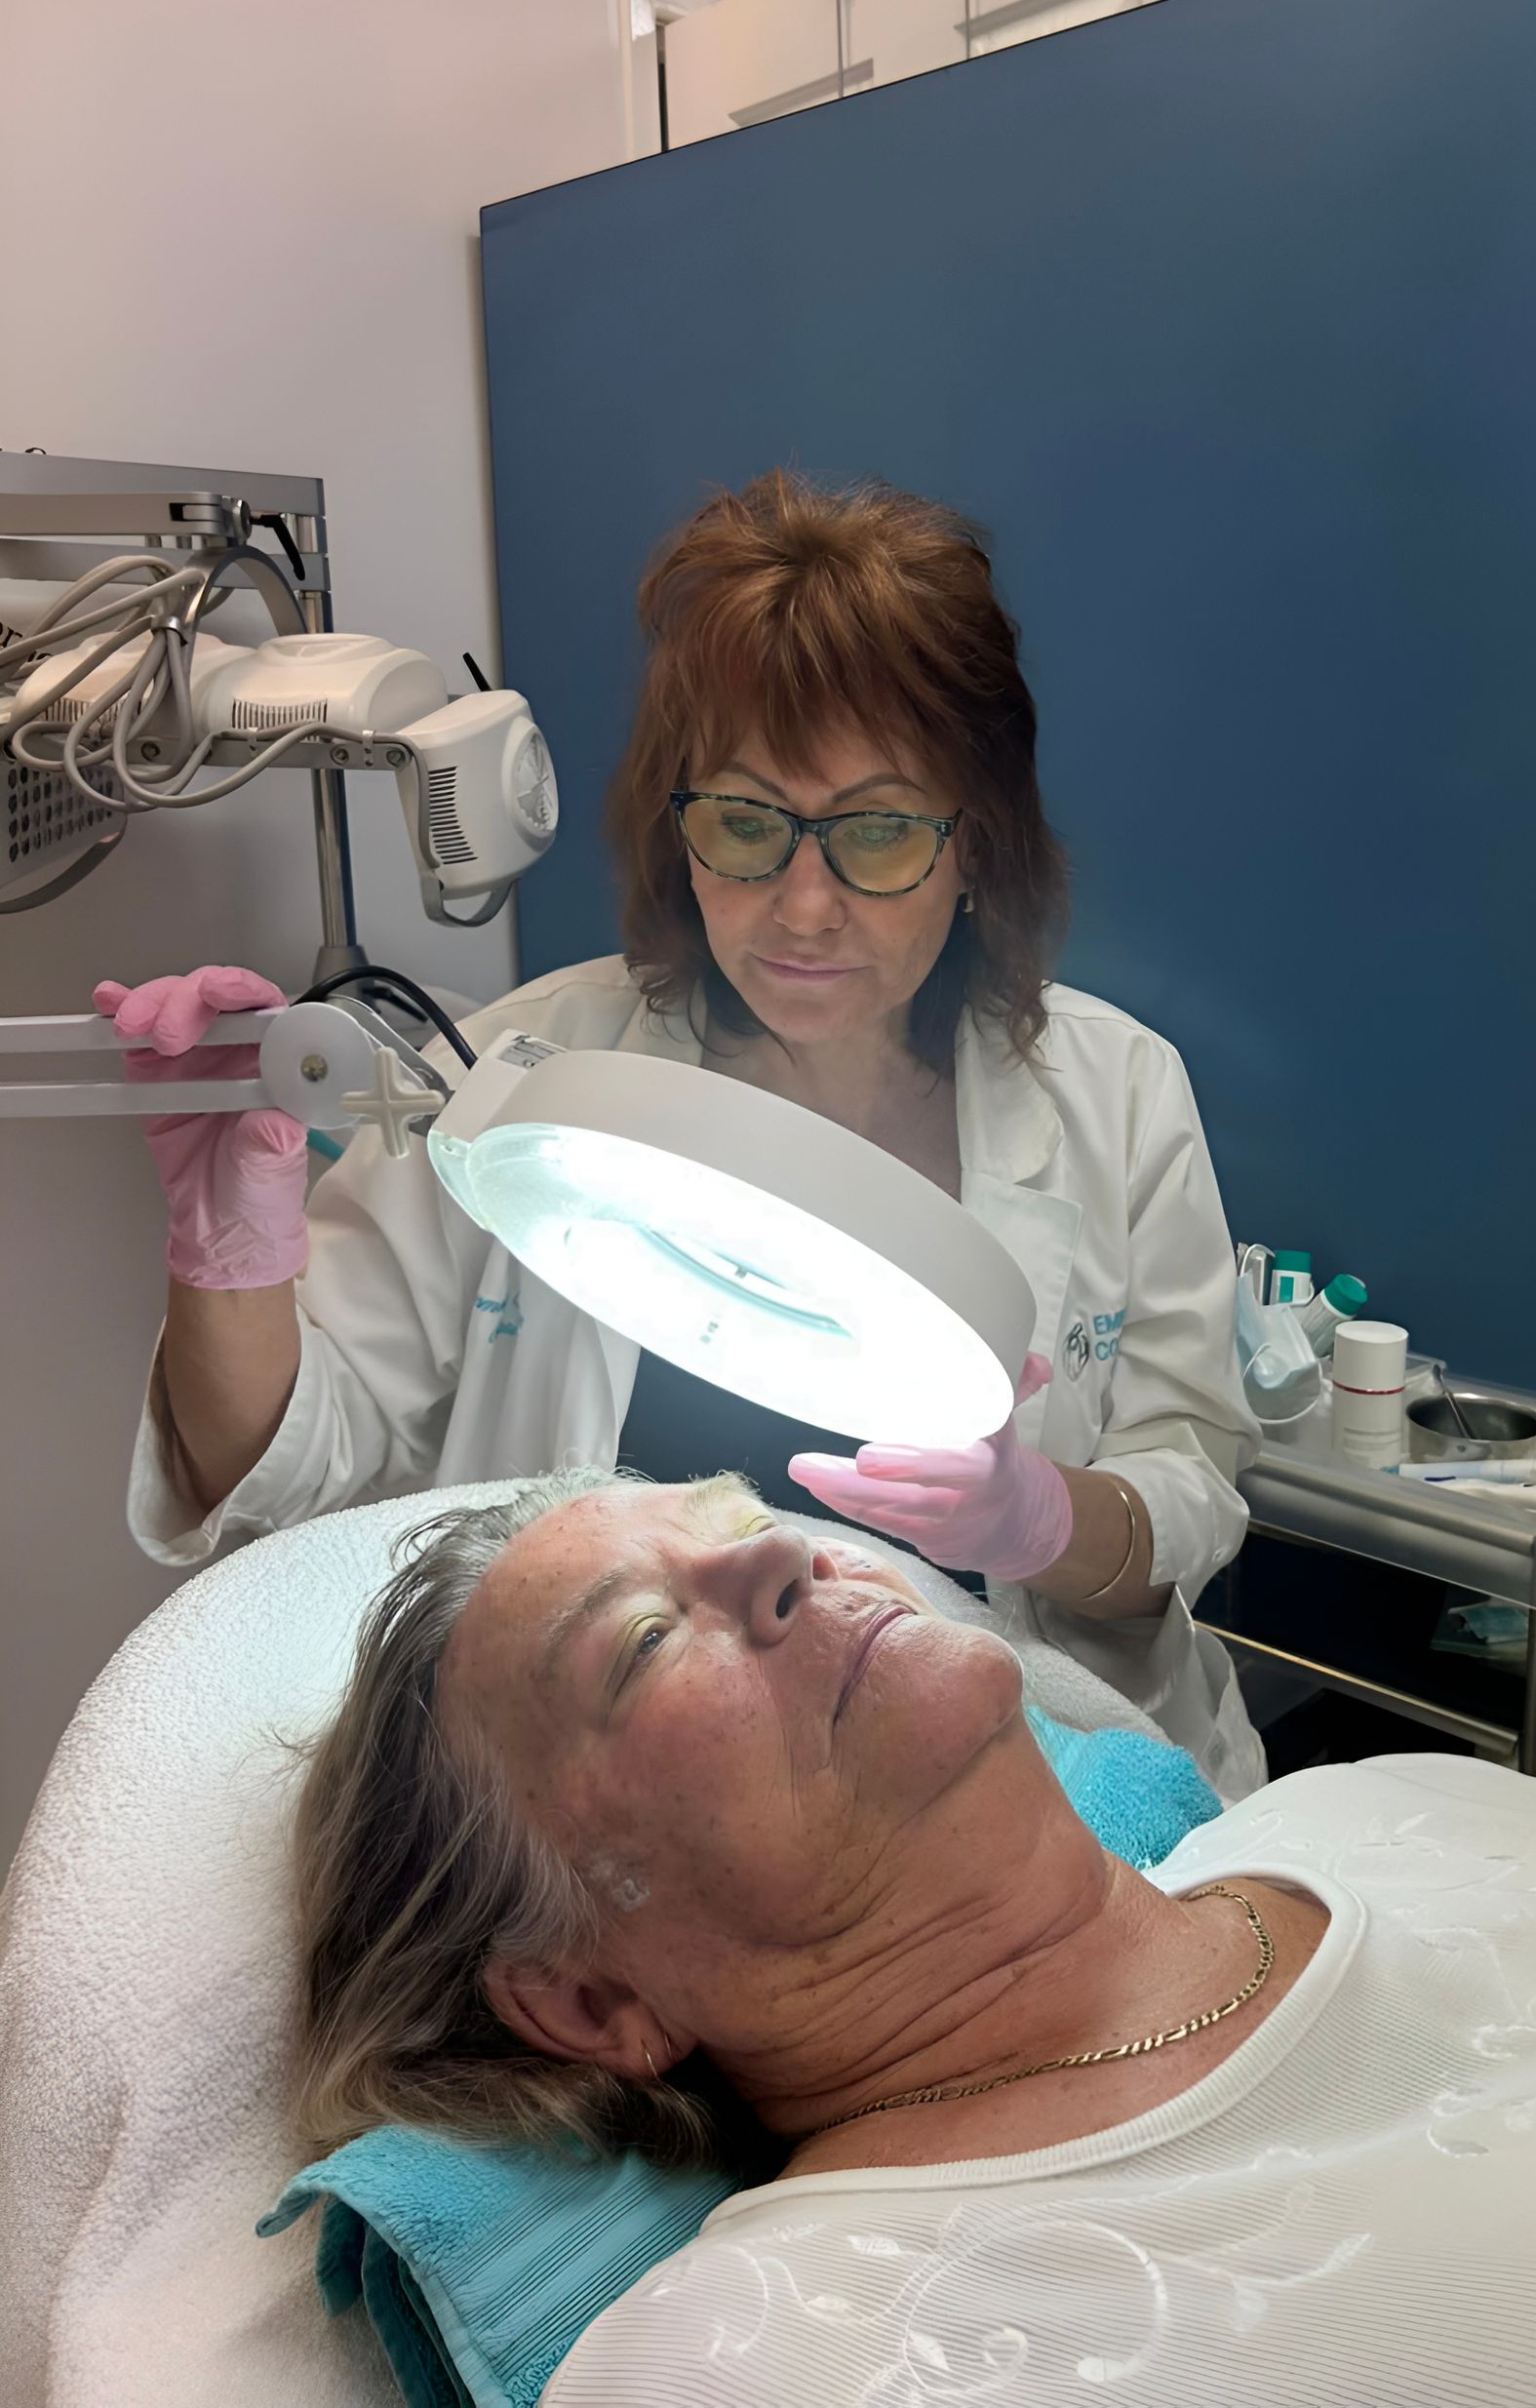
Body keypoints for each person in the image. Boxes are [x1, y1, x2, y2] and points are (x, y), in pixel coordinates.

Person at [104, 471, 1261, 1792]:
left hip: (1035, 1785)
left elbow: (1188, 1491)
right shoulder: (520, 1080)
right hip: (639, 1816)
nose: (804, 906)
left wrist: (1040, 1522)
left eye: (877, 833)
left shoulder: (1117, 1094)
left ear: (977, 848)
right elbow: (278, 1491)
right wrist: (226, 1253)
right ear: (680, 829)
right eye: (746, 824)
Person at [294, 1471, 1536, 2408]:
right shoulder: (767, 2361)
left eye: (749, 1522)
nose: (783, 1555)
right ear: (585, 1993)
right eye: (642, 1643)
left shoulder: (1385, 1801)